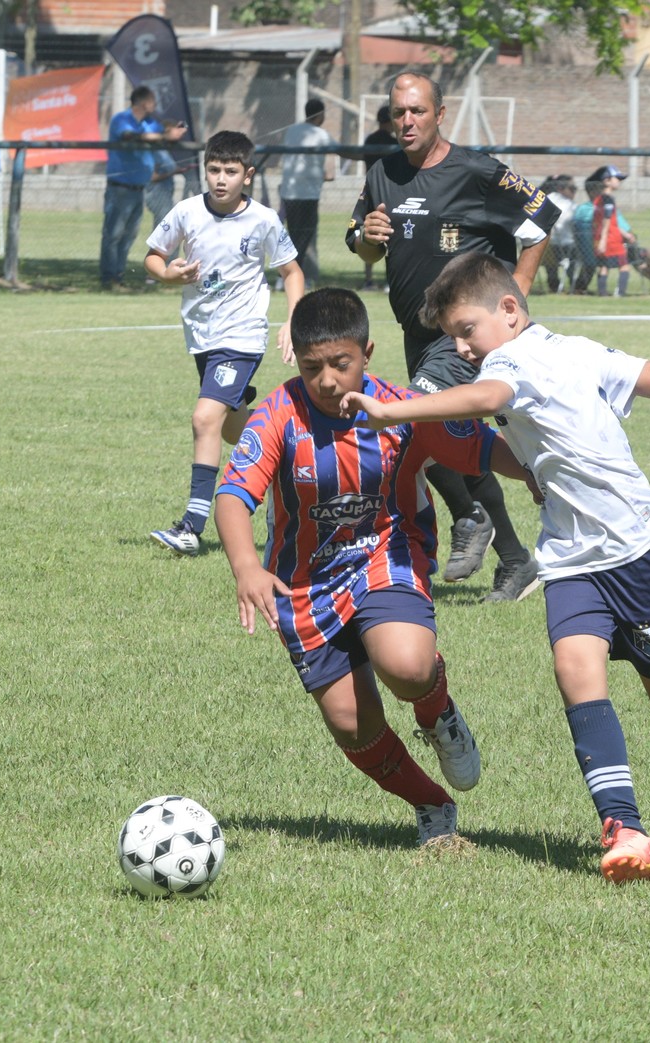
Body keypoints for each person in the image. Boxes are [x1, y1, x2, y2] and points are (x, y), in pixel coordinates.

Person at [340, 252, 650, 883]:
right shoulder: (571, 348)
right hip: (570, 555)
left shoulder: (515, 359)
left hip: (639, 547)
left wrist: (398, 411)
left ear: (508, 310)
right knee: (575, 669)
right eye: (452, 338)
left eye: (465, 330)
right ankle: (624, 828)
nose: (463, 347)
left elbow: (488, 397)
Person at [214, 288, 535, 847]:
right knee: (351, 725)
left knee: (407, 667)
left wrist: (534, 472)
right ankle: (432, 805)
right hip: (305, 584)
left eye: (341, 364)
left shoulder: (401, 410)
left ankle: (439, 715)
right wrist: (245, 565)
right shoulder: (278, 413)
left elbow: (480, 448)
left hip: (386, 556)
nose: (328, 380)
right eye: (313, 368)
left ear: (367, 352)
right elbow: (233, 495)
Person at [346, 71, 561, 601]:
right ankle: (514, 558)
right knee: (448, 434)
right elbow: (362, 242)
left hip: (464, 335)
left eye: (417, 111)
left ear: (440, 114)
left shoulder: (477, 171)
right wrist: (367, 239)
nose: (407, 121)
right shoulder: (383, 173)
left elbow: (542, 216)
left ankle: (470, 515)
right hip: (416, 332)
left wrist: (517, 294)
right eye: (398, 112)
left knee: (418, 417)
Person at [144, 131, 305, 555]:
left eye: (230, 172)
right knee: (234, 426)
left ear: (247, 175)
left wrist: (293, 321)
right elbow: (153, 255)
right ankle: (290, 460)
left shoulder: (264, 220)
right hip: (202, 335)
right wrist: (167, 274)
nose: (220, 179)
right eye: (213, 170)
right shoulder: (187, 211)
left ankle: (192, 525)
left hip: (243, 336)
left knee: (204, 418)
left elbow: (292, 272)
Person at [100, 85, 188, 291]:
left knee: (129, 235)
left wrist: (177, 129)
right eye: (152, 101)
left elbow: (166, 129)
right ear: (143, 102)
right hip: (119, 188)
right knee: (113, 235)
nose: (154, 105)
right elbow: (130, 136)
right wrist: (164, 136)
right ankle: (108, 278)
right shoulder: (121, 120)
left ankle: (119, 277)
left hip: (139, 188)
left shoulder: (150, 123)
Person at [280, 98, 337, 289]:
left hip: (289, 192)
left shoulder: (291, 131)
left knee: (294, 236)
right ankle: (290, 277)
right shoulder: (321, 134)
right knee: (302, 238)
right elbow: (341, 151)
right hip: (307, 196)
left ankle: (291, 276)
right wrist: (365, 155)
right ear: (320, 114)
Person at [359, 105, 397, 289]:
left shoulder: (370, 139)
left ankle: (368, 279)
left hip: (371, 193)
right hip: (392, 193)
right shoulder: (394, 143)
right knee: (390, 237)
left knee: (370, 236)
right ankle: (389, 280)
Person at [590, 164, 633, 297]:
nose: (619, 181)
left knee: (604, 266)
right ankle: (620, 292)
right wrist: (604, 240)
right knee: (624, 266)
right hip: (611, 239)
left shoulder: (597, 199)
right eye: (617, 178)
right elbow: (606, 220)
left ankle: (602, 293)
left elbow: (610, 221)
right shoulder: (608, 199)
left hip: (601, 237)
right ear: (607, 180)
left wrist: (624, 233)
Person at [540, 175, 577, 293]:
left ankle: (553, 286)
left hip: (546, 243)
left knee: (550, 261)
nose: (574, 192)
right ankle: (576, 286)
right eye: (572, 189)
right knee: (575, 255)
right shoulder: (570, 205)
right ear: (561, 188)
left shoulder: (545, 199)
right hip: (566, 245)